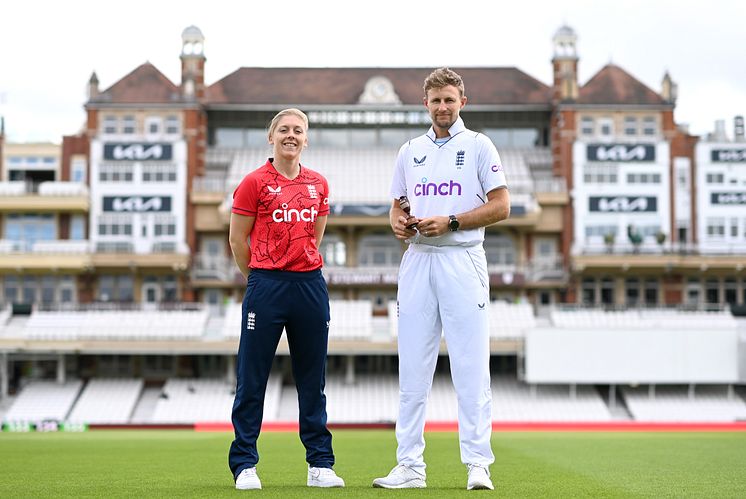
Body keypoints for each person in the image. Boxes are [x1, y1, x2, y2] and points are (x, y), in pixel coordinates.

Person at [373, 68, 510, 491]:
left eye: (450, 100)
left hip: (462, 258)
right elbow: (397, 205)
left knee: (471, 366)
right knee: (412, 369)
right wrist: (398, 223)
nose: (443, 107)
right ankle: (409, 465)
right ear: (425, 104)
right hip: (418, 260)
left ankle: (477, 465)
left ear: (462, 102)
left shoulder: (479, 145)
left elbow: (502, 206)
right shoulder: (409, 150)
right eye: (435, 101)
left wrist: (451, 221)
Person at [227, 108, 344, 490]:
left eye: (298, 130)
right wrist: (259, 278)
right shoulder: (253, 182)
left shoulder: (319, 184)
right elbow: (236, 239)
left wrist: (295, 269)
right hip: (266, 285)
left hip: (309, 284)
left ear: (306, 139)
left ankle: (320, 465)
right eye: (284, 130)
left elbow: (314, 237)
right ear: (271, 137)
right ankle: (245, 464)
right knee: (252, 376)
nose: (291, 135)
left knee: (313, 378)